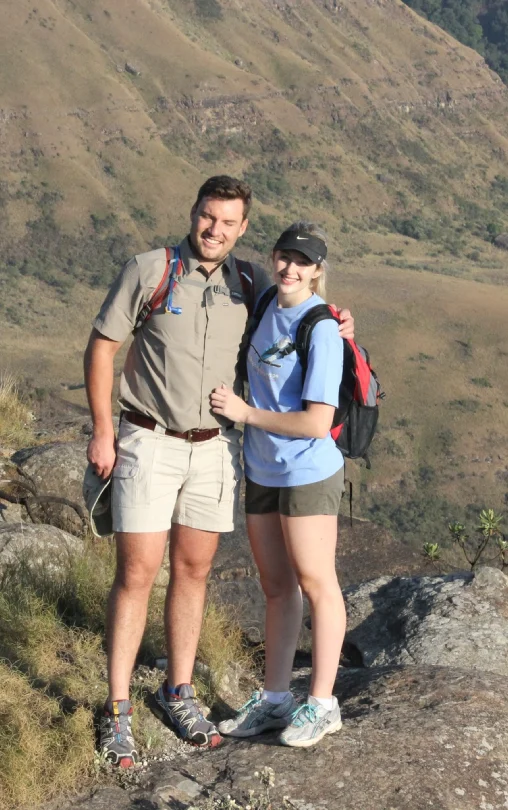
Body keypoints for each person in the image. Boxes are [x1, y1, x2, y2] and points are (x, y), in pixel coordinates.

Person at [84, 176, 354, 766]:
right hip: (151, 440)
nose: (216, 229)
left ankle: (179, 692)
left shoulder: (250, 282)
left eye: (229, 222)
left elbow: (308, 321)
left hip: (215, 450)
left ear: (243, 229)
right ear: (194, 212)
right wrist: (103, 431)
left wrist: (337, 322)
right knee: (138, 572)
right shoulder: (153, 271)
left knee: (194, 570)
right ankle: (118, 708)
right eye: (209, 217)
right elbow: (102, 346)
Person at [210, 222, 346, 748]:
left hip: (306, 470)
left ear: (317, 271)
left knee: (316, 583)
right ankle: (274, 699)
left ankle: (322, 704)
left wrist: (245, 413)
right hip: (263, 467)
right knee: (276, 587)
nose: (290, 267)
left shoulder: (322, 328)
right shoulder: (267, 300)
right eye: (285, 256)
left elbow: (317, 422)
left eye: (302, 261)